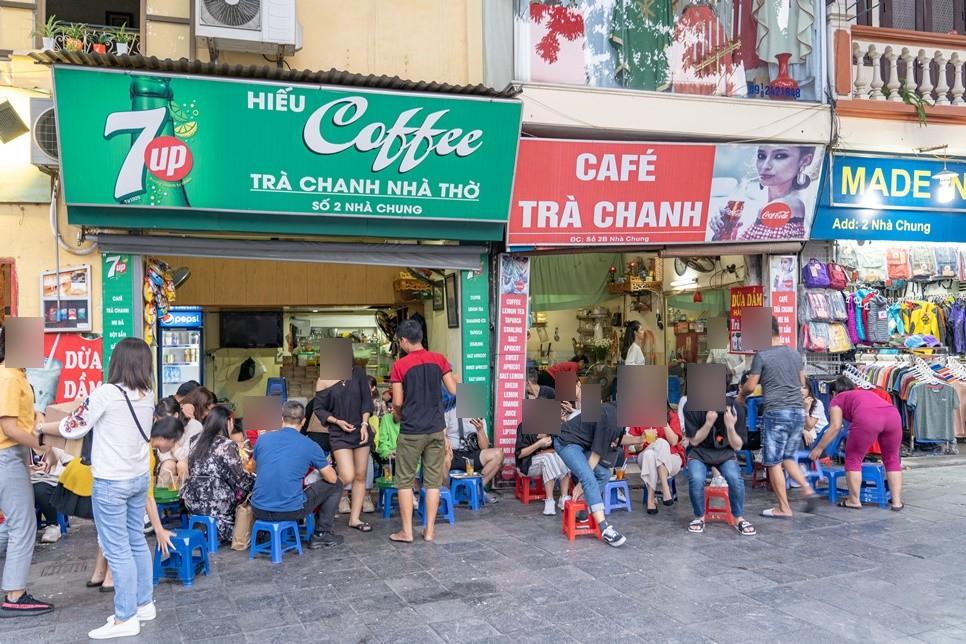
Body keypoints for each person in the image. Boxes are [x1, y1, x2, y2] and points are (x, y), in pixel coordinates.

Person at [52, 337, 159, 639]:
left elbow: (72, 427)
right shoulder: (147, 394)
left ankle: (125, 617)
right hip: (139, 478)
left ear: (117, 362)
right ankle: (144, 603)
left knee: (117, 548)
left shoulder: (106, 393)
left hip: (112, 481)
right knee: (136, 540)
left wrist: (45, 425)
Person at [0, 323, 55, 618]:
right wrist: (40, 444)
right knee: (23, 526)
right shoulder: (8, 376)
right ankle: (15, 595)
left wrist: (40, 419)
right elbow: (8, 427)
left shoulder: (19, 375)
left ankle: (13, 589)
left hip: (12, 455)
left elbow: (24, 416)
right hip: (6, 456)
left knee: (13, 525)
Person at [739, 316, 818, 518]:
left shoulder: (762, 355)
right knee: (788, 458)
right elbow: (802, 383)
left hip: (776, 412)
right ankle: (807, 488)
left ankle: (783, 508)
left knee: (773, 462)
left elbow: (750, 385)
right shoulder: (794, 354)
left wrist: (741, 397)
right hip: (797, 412)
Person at [388, 319, 457, 543]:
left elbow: (397, 401)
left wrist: (398, 415)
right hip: (436, 429)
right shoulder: (439, 359)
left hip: (411, 430)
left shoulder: (400, 365)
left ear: (404, 340)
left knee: (405, 481)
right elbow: (454, 389)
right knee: (433, 481)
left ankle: (407, 532)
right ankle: (429, 530)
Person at [554, 387, 645, 547]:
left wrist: (638, 440)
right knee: (588, 476)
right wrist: (582, 484)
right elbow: (595, 456)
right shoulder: (612, 418)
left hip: (582, 443)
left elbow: (616, 439)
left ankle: (583, 512)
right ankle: (605, 529)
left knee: (603, 474)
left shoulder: (618, 413)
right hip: (566, 442)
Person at [250, 401, 344, 549]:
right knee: (337, 484)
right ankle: (322, 533)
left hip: (258, 509)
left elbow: (254, 469)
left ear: (281, 418)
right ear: (304, 421)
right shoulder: (310, 445)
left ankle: (266, 533)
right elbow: (331, 478)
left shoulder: (262, 439)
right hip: (290, 511)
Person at [809, 377, 904, 510]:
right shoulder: (865, 393)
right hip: (893, 415)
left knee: (853, 458)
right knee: (892, 459)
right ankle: (897, 502)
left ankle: (854, 500)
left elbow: (835, 427)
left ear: (834, 393)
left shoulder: (837, 399)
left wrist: (819, 448)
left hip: (868, 418)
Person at [683, 391, 756, 536]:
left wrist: (730, 426)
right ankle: (699, 517)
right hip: (699, 451)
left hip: (725, 452)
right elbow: (694, 441)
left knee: (735, 478)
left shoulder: (735, 408)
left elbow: (737, 446)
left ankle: (738, 518)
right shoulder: (690, 407)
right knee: (696, 479)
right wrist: (708, 423)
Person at [314, 363, 375, 533]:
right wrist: (336, 421)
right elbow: (319, 409)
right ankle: (316, 500)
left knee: (361, 475)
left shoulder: (359, 374)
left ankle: (354, 518)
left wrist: (364, 424)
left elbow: (366, 401)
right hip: (338, 432)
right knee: (346, 475)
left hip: (360, 429)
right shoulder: (323, 379)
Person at [180, 405, 255, 543]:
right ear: (226, 422)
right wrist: (257, 482)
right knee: (248, 490)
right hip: (216, 501)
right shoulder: (227, 444)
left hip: (192, 500)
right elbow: (241, 479)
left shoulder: (194, 440)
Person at [710, 145, 816, 241]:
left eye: (780, 156)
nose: (765, 166)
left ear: (805, 160)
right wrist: (724, 234)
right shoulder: (747, 204)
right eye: (761, 156)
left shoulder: (795, 205)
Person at [514, 385, 571, 515]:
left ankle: (563, 497)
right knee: (548, 458)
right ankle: (549, 500)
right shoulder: (524, 426)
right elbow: (521, 454)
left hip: (549, 463)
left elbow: (561, 446)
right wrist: (538, 444)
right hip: (527, 465)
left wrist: (565, 422)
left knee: (564, 456)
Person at [630, 403, 685, 514]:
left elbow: (674, 441)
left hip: (671, 458)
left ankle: (650, 500)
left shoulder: (671, 415)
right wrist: (640, 443)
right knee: (652, 450)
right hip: (644, 458)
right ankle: (665, 489)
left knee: (655, 449)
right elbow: (635, 446)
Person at [158, 387, 214, 484]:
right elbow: (163, 455)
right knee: (168, 465)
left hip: (188, 463)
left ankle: (184, 497)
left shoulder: (194, 426)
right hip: (167, 462)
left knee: (182, 464)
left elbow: (186, 455)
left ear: (175, 415)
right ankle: (163, 497)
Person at [444, 412, 502, 501]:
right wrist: (446, 441)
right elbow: (441, 434)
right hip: (452, 453)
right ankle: (447, 492)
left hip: (471, 454)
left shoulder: (479, 416)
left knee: (498, 454)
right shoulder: (450, 411)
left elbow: (484, 447)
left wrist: (480, 430)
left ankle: (476, 489)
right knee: (442, 456)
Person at [31, 445, 72, 543]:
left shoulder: (55, 444)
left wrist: (50, 468)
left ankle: (53, 525)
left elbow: (71, 466)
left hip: (51, 481)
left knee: (41, 489)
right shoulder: (21, 445)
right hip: (26, 480)